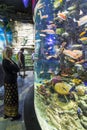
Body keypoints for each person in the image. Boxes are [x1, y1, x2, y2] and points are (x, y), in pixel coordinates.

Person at [2, 46, 21, 121]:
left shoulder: (7, 60)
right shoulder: (7, 61)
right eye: (11, 52)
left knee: (7, 97)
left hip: (8, 81)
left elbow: (16, 69)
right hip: (11, 82)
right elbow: (17, 69)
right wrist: (15, 68)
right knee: (12, 97)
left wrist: (14, 69)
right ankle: (14, 115)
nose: (12, 53)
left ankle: (7, 113)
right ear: (8, 53)